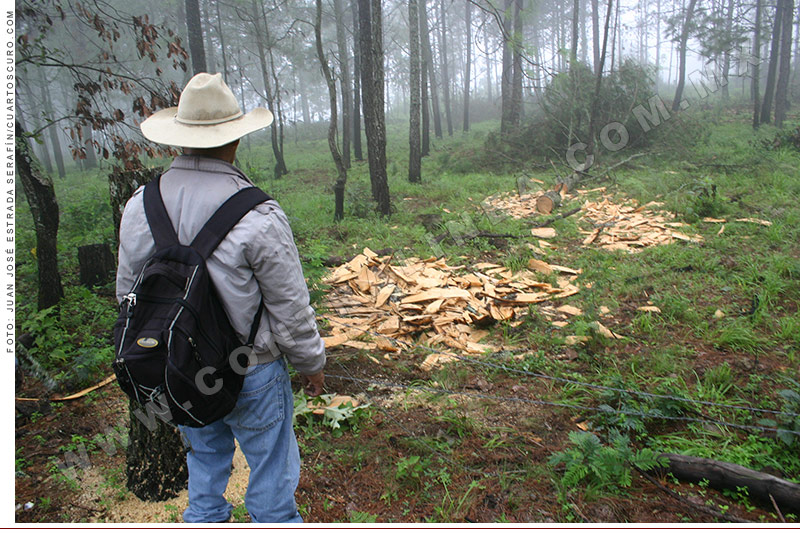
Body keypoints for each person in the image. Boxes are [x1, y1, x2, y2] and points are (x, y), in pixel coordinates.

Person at [116, 72, 326, 523]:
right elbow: (289, 308)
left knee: (205, 467)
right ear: (234, 139)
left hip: (179, 369)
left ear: (179, 139)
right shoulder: (257, 212)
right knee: (271, 478)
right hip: (252, 369)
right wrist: (311, 363)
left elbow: (127, 296)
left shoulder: (140, 205)